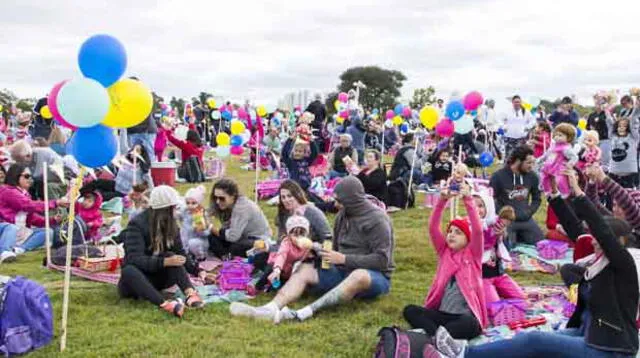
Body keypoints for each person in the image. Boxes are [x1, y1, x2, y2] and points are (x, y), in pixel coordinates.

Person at [432, 170, 639, 358]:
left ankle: (464, 354)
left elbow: (601, 228)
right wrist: (556, 194)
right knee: (530, 339)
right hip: (588, 334)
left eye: (598, 237)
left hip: (611, 350)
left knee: (534, 342)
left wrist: (578, 193)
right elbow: (576, 228)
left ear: (617, 242)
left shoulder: (625, 263)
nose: (592, 239)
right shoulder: (598, 263)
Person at [229, 176, 394, 323]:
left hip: (374, 277)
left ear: (352, 200)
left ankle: (302, 313)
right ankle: (269, 309)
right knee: (306, 268)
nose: (335, 204)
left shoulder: (378, 220)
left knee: (359, 275)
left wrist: (343, 259)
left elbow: (382, 260)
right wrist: (319, 253)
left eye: (339, 200)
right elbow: (333, 246)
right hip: (343, 271)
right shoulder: (342, 216)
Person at [403, 181, 485, 340]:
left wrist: (468, 200)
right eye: (450, 231)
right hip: (441, 314)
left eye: (458, 232)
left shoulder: (473, 255)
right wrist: (442, 200)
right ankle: (439, 338)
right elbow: (433, 228)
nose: (452, 235)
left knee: (471, 325)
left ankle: (434, 336)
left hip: (463, 317)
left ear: (468, 239)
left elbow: (478, 232)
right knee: (410, 310)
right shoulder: (444, 252)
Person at [118, 185, 205, 318]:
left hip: (160, 278)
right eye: (173, 208)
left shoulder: (171, 224)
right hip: (139, 280)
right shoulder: (137, 224)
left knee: (172, 255)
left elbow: (180, 252)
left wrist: (199, 271)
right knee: (128, 270)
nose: (175, 211)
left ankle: (190, 294)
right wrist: (164, 262)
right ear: (164, 209)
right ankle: (166, 304)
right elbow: (135, 259)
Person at [0, 164, 68, 263]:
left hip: (21, 231)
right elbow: (29, 205)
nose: (30, 179)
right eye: (26, 176)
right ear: (15, 176)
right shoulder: (8, 191)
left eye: (31, 176)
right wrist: (55, 203)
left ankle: (19, 249)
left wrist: (52, 220)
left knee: (48, 232)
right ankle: (4, 252)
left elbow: (32, 219)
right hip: (5, 230)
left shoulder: (25, 194)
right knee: (11, 227)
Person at [473, 193, 524, 304]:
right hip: (482, 277)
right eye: (473, 206)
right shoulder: (470, 226)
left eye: (481, 206)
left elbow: (507, 249)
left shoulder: (496, 224)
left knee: (520, 299)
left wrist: (502, 236)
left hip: (498, 274)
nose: (477, 209)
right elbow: (478, 247)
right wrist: (491, 235)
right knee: (494, 306)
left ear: (489, 207)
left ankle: (495, 290)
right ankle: (487, 293)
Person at [490, 145, 543, 245]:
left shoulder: (532, 176)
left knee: (540, 244)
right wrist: (503, 214)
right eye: (528, 163)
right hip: (507, 221)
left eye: (532, 163)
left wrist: (529, 212)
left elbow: (537, 198)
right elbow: (491, 199)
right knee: (507, 247)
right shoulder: (498, 176)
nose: (531, 166)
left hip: (525, 219)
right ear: (518, 161)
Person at [208, 179, 272, 258]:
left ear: (232, 196)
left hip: (258, 240)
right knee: (212, 237)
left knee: (236, 247)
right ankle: (226, 257)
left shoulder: (241, 208)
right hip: (242, 237)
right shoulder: (228, 205)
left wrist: (211, 227)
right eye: (215, 197)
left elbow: (233, 237)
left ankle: (229, 258)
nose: (217, 201)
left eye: (221, 198)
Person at [253, 215, 317, 292]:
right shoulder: (286, 243)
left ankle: (273, 286)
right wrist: (277, 270)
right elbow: (281, 256)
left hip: (292, 272)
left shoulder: (307, 245)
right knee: (270, 270)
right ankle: (258, 287)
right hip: (279, 267)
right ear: (289, 234)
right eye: (295, 234)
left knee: (280, 289)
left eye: (301, 234)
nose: (298, 237)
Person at [536, 123, 579, 197]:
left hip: (558, 167)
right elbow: (547, 154)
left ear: (568, 138)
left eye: (560, 135)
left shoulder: (566, 148)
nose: (556, 137)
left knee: (560, 181)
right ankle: (547, 192)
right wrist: (540, 159)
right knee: (544, 178)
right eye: (556, 135)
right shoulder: (553, 145)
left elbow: (574, 157)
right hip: (549, 165)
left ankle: (565, 193)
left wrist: (570, 164)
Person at [127, 79, 158, 160]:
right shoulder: (125, 97)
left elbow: (149, 110)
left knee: (148, 154)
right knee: (132, 155)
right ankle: (135, 171)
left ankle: (149, 171)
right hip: (133, 130)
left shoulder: (144, 95)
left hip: (146, 130)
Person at [607, 112, 639, 188]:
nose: (621, 127)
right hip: (614, 172)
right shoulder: (613, 136)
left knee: (628, 196)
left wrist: (636, 109)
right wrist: (607, 111)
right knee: (612, 195)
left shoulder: (633, 137)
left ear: (628, 128)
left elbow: (634, 122)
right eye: (619, 126)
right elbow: (609, 123)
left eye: (624, 126)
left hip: (629, 173)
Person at [178, 185, 210, 261]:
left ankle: (201, 257)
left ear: (199, 203)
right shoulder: (185, 211)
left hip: (199, 242)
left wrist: (200, 231)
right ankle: (187, 254)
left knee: (193, 243)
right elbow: (178, 216)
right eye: (188, 203)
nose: (190, 205)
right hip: (186, 238)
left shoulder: (201, 214)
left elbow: (207, 233)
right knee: (180, 239)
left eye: (193, 203)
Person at [502, 95, 535, 159]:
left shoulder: (525, 111)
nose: (517, 103)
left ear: (521, 102)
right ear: (512, 102)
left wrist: (527, 127)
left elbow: (533, 121)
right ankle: (508, 168)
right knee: (509, 156)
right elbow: (499, 120)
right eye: (515, 102)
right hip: (509, 137)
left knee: (520, 156)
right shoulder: (507, 111)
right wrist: (504, 127)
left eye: (518, 102)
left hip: (521, 137)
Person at [586, 102, 611, 167]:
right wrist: (590, 128)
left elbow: (611, 123)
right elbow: (587, 127)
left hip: (605, 139)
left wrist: (606, 112)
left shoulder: (606, 114)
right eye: (597, 104)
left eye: (601, 104)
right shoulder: (592, 115)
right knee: (593, 159)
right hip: (593, 141)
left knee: (604, 159)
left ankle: (605, 174)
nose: (599, 106)